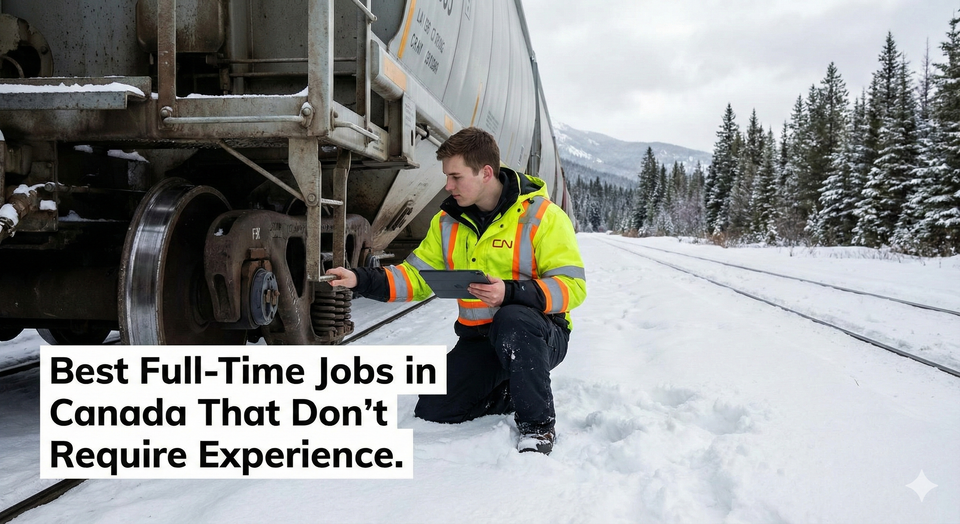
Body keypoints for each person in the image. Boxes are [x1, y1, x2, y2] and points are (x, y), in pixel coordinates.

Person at [326, 127, 586, 455]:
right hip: (480, 340)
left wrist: (509, 292)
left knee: (514, 318)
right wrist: (359, 280)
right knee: (435, 409)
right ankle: (514, 388)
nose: (448, 186)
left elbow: (573, 288)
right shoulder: (447, 222)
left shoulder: (543, 217)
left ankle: (537, 426)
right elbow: (414, 278)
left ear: (485, 173)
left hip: (540, 335)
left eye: (455, 176)